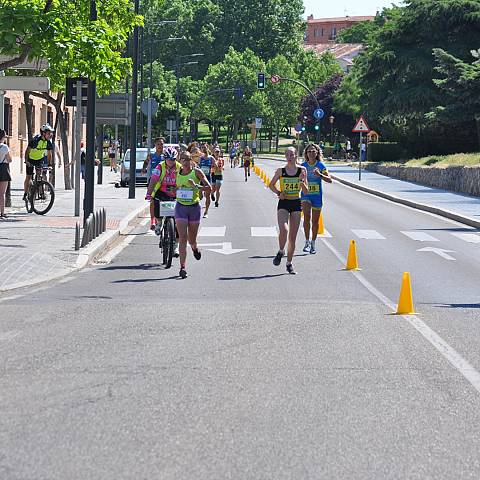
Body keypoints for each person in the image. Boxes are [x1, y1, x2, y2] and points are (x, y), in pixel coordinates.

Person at [268, 147, 308, 275]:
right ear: (285, 156)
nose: (289, 157)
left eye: (292, 154)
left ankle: (289, 263)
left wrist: (301, 182)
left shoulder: (302, 170)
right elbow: (271, 185)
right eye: (287, 155)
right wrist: (279, 193)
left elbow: (306, 191)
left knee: (292, 237)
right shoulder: (281, 171)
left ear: (296, 155)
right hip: (284, 203)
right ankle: (281, 251)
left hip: (296, 203)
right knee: (284, 230)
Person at [175, 151, 212, 279]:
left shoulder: (197, 172)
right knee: (182, 238)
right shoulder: (176, 172)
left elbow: (209, 188)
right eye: (182, 159)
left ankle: (195, 248)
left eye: (187, 159)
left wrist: (196, 185)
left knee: (191, 239)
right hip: (180, 207)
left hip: (194, 208)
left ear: (191, 160)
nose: (184, 161)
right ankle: (182, 267)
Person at [145, 146, 181, 256]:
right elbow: (153, 180)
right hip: (162, 192)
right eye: (169, 159)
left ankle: (175, 247)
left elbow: (186, 181)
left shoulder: (180, 168)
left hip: (176, 194)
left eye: (173, 159)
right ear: (165, 159)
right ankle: (158, 222)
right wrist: (149, 193)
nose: (171, 162)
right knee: (156, 203)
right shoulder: (160, 167)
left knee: (179, 223)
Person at [301, 144, 332, 254]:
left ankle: (313, 243)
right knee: (306, 218)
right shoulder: (303, 166)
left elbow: (329, 180)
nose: (311, 153)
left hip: (317, 196)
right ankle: (306, 241)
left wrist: (319, 175)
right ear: (306, 154)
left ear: (317, 153)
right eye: (309, 152)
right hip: (305, 195)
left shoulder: (321, 165)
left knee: (315, 221)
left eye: (313, 151)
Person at [23, 124, 54, 200]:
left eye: (51, 133)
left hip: (39, 159)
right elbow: (27, 151)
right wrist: (26, 161)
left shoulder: (48, 142)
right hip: (30, 159)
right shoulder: (35, 141)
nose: (50, 135)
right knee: (28, 177)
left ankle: (41, 193)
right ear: (43, 133)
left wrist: (50, 164)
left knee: (39, 176)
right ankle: (25, 193)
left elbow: (50, 154)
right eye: (49, 133)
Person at [142, 137, 165, 230]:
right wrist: (144, 169)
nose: (160, 146)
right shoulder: (151, 155)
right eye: (158, 144)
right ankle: (152, 220)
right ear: (155, 145)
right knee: (153, 201)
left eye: (162, 144)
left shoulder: (166, 155)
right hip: (153, 181)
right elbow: (146, 162)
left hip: (164, 181)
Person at [198, 144, 214, 218]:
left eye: (205, 147)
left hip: (208, 178)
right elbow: (198, 167)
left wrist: (215, 169)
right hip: (201, 178)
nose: (204, 149)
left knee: (207, 196)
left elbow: (216, 166)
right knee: (200, 196)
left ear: (207, 148)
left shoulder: (211, 158)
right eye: (202, 148)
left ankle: (206, 212)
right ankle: (197, 209)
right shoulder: (200, 158)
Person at [0, 129, 12, 218]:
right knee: (2, 193)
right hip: (3, 169)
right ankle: (2, 213)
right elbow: (9, 160)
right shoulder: (4, 147)